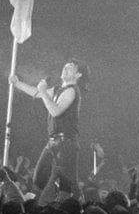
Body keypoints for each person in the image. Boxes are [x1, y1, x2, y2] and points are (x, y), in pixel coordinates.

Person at [9, 59, 89, 191]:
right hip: (54, 142)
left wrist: (44, 92)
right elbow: (37, 93)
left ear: (78, 74)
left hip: (66, 143)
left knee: (67, 185)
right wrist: (17, 84)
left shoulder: (72, 91)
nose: (65, 68)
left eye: (70, 68)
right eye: (65, 66)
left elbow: (55, 111)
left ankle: (71, 206)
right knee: (39, 179)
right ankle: (50, 202)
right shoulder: (58, 89)